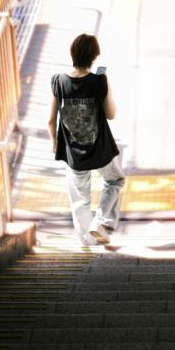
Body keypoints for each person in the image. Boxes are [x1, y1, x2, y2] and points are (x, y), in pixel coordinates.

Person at [48, 33, 124, 246]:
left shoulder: (58, 82)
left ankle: (86, 241)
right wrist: (106, 88)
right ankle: (99, 221)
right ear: (94, 56)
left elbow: (50, 120)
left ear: (73, 54)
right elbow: (111, 114)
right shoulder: (99, 80)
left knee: (80, 200)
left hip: (75, 155)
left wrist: (55, 143)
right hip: (100, 150)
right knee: (115, 180)